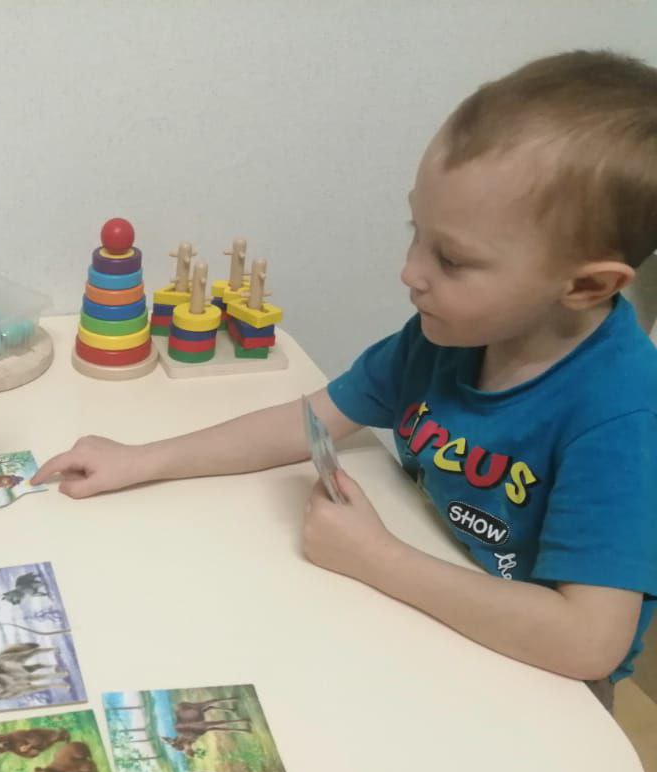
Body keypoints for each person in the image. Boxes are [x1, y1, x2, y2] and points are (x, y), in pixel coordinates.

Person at [36, 50, 657, 706]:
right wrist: (142, 459)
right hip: (437, 629)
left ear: (586, 286)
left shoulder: (623, 417)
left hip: (546, 687)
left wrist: (378, 558)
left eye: (451, 258)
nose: (410, 272)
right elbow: (308, 419)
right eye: (416, 231)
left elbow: (587, 643)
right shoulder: (444, 337)